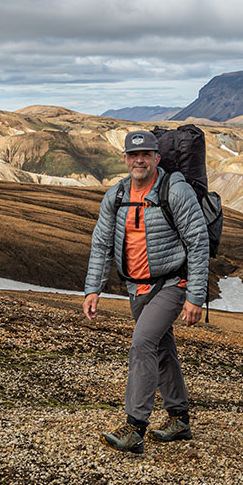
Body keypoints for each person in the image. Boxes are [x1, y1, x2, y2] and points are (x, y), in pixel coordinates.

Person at [83, 130, 209, 454]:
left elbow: (197, 242)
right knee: (162, 350)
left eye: (146, 155)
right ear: (125, 159)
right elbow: (101, 246)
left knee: (142, 344)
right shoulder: (117, 195)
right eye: (133, 156)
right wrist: (92, 290)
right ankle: (179, 419)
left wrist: (195, 296)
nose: (139, 161)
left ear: (157, 158)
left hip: (172, 283)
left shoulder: (175, 191)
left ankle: (134, 427)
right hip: (136, 289)